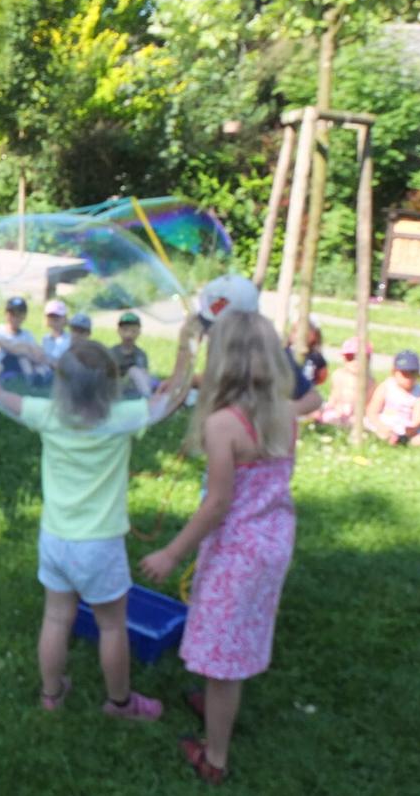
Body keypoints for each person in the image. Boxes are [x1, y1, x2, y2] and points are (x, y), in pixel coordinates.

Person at [0, 329, 194, 727]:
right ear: (113, 387)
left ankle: (51, 694)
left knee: (56, 618)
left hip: (55, 540)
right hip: (98, 546)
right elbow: (175, 396)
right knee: (112, 625)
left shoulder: (47, 415)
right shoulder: (124, 417)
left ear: (61, 387)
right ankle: (120, 704)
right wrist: (186, 346)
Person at [140, 311, 300, 785]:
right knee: (239, 632)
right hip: (273, 542)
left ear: (222, 361)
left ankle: (215, 755)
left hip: (237, 552)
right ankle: (214, 700)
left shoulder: (223, 424)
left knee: (224, 656)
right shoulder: (286, 412)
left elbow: (218, 503)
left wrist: (171, 553)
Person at [196, 274, 322, 416]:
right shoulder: (222, 350)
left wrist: (283, 415)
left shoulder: (269, 355)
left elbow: (314, 398)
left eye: (216, 329)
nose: (210, 335)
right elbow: (217, 380)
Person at [365, 350, 420, 446]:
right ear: (394, 372)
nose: (408, 378)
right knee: (380, 434)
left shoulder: (419, 393)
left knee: (419, 441)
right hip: (385, 423)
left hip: (406, 428)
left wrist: (413, 428)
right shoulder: (386, 387)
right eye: (404, 373)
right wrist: (381, 426)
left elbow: (418, 417)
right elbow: (372, 411)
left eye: (412, 373)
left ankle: (402, 441)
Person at [317, 337, 375, 427]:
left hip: (358, 413)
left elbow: (369, 404)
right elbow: (334, 396)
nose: (355, 362)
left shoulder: (369, 381)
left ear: (368, 359)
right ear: (343, 358)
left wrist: (358, 412)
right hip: (338, 409)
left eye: (360, 358)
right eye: (350, 357)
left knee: (365, 424)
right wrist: (332, 407)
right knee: (326, 416)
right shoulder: (338, 375)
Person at [0, 297, 46, 386]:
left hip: (20, 367)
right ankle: (32, 379)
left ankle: (35, 379)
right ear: (6, 314)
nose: (15, 318)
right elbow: (9, 348)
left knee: (24, 359)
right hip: (2, 366)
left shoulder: (27, 334)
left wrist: (25, 349)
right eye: (12, 314)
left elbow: (38, 354)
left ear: (24, 316)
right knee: (16, 357)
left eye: (19, 315)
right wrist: (26, 348)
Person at [111, 312, 153, 397]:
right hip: (115, 389)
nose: (129, 334)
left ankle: (147, 397)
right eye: (125, 330)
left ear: (139, 332)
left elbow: (143, 374)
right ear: (119, 331)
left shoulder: (140, 354)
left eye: (133, 331)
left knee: (135, 371)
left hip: (134, 391)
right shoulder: (112, 352)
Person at [42, 300, 72, 364]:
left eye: (57, 316)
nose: (54, 319)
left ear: (64, 318)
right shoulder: (45, 339)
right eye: (51, 316)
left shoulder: (69, 339)